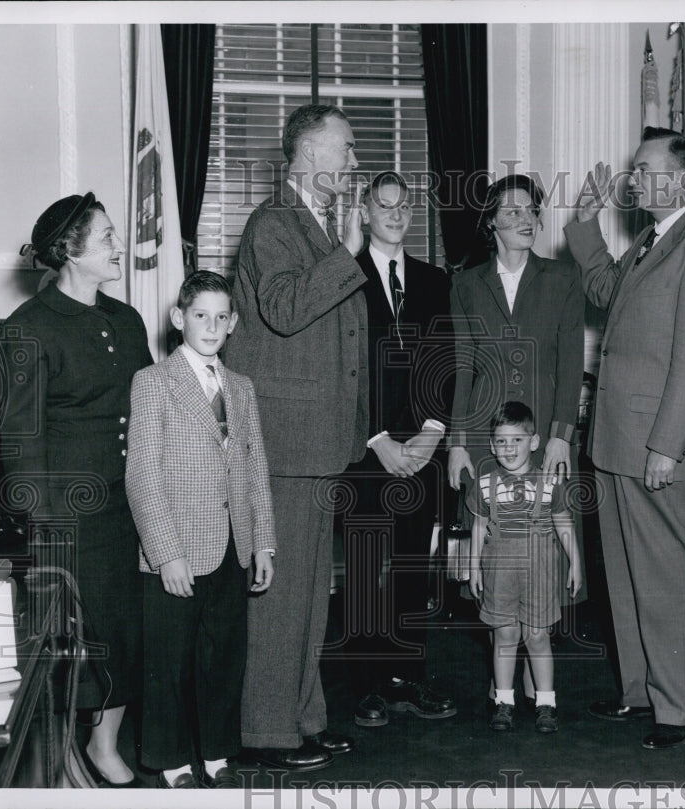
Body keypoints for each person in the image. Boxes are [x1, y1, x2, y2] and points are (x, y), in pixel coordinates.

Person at [564, 128, 685, 748]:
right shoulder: (652, 238)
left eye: (643, 169)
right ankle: (641, 692)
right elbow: (608, 294)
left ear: (682, 178)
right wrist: (585, 230)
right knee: (628, 577)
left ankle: (678, 707)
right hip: (616, 439)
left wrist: (667, 444)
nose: (632, 180)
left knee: (665, 579)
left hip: (655, 444)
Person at [225, 103, 368, 771]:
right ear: (308, 153)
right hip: (285, 437)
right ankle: (265, 731)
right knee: (282, 593)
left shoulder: (314, 223)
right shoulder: (273, 222)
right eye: (345, 148)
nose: (353, 162)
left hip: (318, 436)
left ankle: (302, 718)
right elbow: (284, 311)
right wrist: (348, 254)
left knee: (311, 591)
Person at [0, 193, 152, 786]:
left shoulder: (127, 319)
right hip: (69, 515)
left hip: (132, 505)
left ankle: (105, 742)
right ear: (69, 251)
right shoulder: (29, 328)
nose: (118, 245)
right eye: (108, 236)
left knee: (130, 632)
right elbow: (19, 439)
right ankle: (62, 757)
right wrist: (44, 528)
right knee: (78, 642)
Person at [125, 271, 275, 789]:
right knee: (168, 661)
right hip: (177, 548)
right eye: (199, 315)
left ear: (233, 323)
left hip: (232, 545)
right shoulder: (153, 382)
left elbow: (255, 470)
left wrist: (264, 544)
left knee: (223, 657)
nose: (210, 326)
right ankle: (171, 762)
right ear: (177, 318)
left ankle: (216, 756)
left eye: (220, 317)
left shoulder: (241, 386)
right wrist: (165, 553)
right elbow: (141, 474)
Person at [447, 173, 586, 702]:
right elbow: (461, 365)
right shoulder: (466, 283)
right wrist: (458, 441)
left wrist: (560, 436)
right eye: (512, 213)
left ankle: (536, 661)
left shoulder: (562, 278)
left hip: (541, 436)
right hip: (487, 438)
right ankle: (503, 668)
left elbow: (571, 363)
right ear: (491, 224)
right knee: (492, 553)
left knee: (543, 544)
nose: (525, 220)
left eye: (532, 211)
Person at [342, 170, 456, 728]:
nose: (394, 213)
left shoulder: (435, 280)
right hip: (366, 450)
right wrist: (376, 437)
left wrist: (433, 431)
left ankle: (406, 675)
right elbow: (342, 370)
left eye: (402, 205)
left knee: (413, 563)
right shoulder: (345, 276)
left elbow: (446, 359)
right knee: (368, 564)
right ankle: (366, 683)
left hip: (422, 448)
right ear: (364, 213)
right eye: (383, 205)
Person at [468, 402, 582, 733]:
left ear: (534, 442)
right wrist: (473, 568)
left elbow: (564, 524)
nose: (508, 448)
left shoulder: (550, 483)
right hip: (499, 572)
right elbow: (478, 528)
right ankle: (504, 701)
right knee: (504, 635)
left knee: (537, 637)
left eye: (517, 440)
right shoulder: (484, 484)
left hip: (540, 573)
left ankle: (546, 703)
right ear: (491, 445)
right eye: (501, 441)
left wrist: (576, 562)